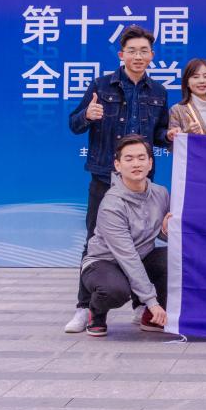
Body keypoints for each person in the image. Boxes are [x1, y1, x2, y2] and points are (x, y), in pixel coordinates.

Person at [65, 26, 170, 333]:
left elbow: (159, 134)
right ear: (122, 55)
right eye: (132, 51)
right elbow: (74, 124)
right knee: (94, 241)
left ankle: (141, 307)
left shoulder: (159, 92)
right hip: (104, 176)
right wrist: (88, 115)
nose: (138, 56)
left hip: (141, 182)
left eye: (144, 51)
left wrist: (170, 135)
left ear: (152, 55)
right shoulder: (101, 85)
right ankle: (85, 308)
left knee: (145, 240)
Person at [80, 135, 172, 337]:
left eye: (141, 158)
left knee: (174, 258)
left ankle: (150, 317)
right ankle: (96, 312)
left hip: (141, 256)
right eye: (129, 159)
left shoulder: (161, 193)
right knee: (115, 290)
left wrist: (167, 230)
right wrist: (152, 301)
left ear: (150, 163)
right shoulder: (112, 205)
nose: (136, 164)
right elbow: (127, 255)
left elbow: (158, 233)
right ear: (118, 165)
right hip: (105, 262)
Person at [168, 58, 206, 140]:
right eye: (195, 77)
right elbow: (172, 143)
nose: (202, 81)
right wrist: (186, 133)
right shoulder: (177, 110)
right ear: (187, 82)